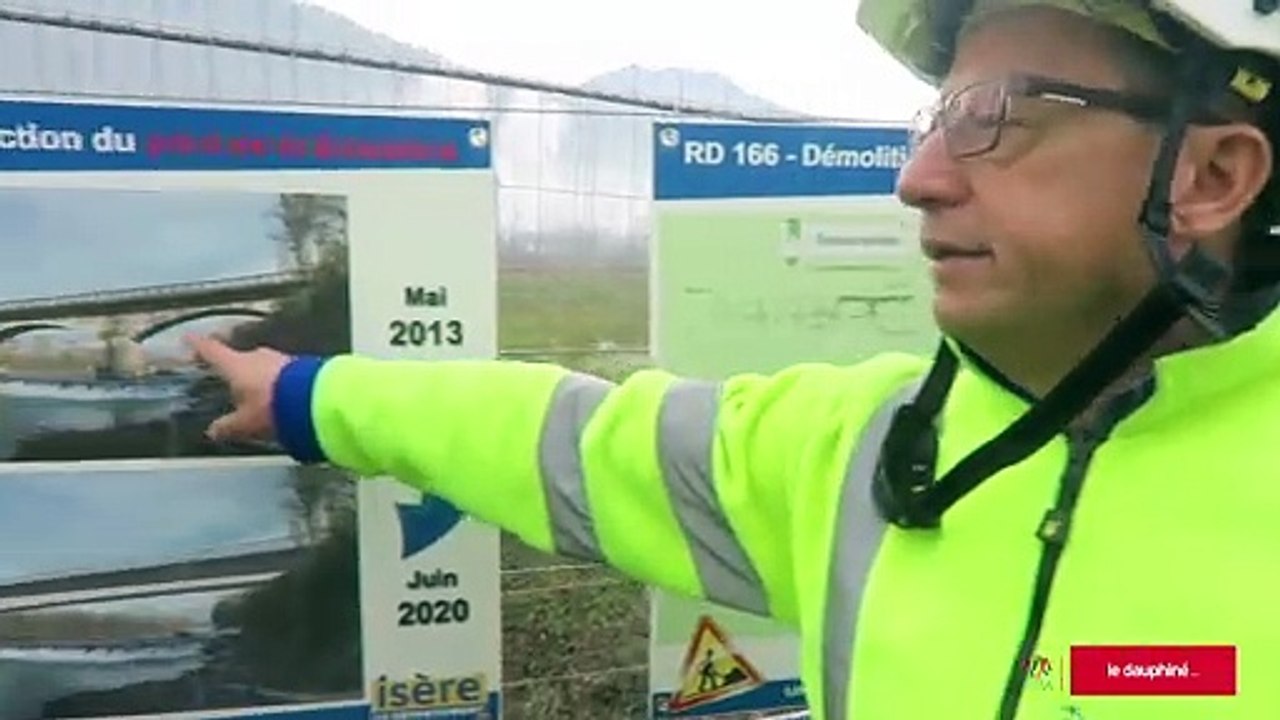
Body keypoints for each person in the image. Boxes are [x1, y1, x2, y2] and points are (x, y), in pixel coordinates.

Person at [186, 1, 1280, 718]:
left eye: (998, 118)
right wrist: (306, 394)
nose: (920, 179)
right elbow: (567, 440)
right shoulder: (860, 451)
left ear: (1213, 177)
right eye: (934, 119)